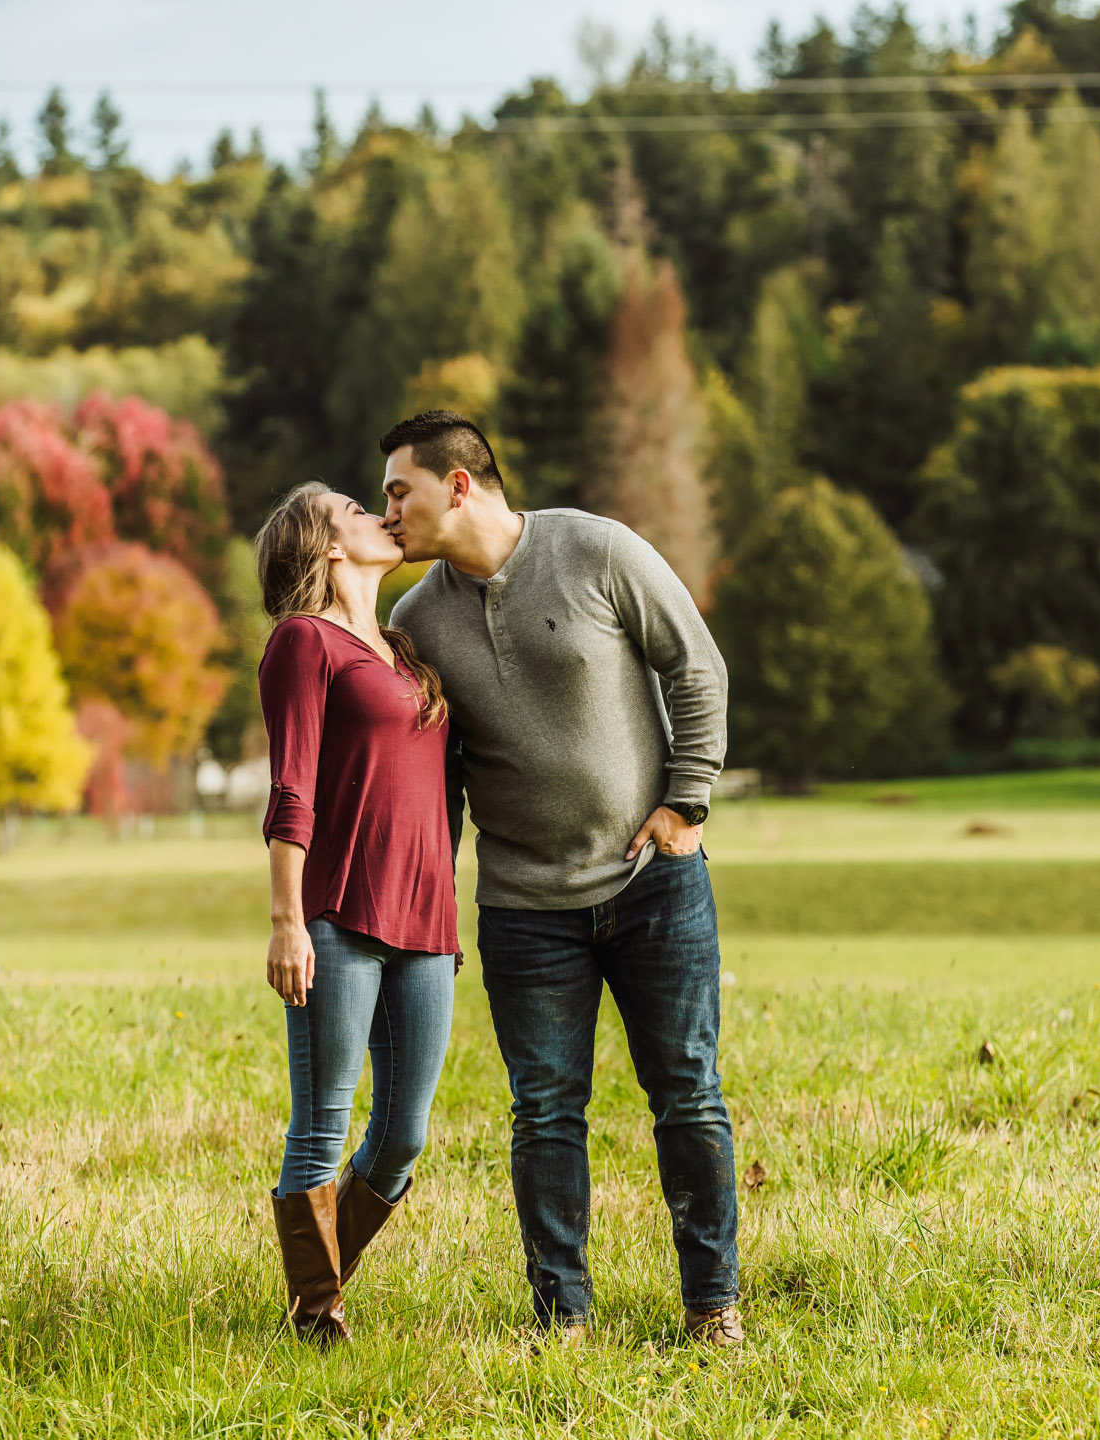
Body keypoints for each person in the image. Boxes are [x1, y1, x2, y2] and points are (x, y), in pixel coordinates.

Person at [382, 410, 744, 1346]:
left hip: (654, 886)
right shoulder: (413, 620)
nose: (388, 512)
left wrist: (687, 805)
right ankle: (563, 1317)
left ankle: (713, 1308)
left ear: (459, 484)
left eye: (399, 491)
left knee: (688, 1093)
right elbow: (438, 781)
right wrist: (428, 909)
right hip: (523, 912)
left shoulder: (596, 549)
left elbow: (697, 668)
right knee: (545, 1113)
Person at [253, 480, 460, 1343]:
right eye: (351, 508)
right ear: (327, 547)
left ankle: (322, 1274)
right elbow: (292, 786)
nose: (376, 513)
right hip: (338, 916)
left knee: (404, 1136)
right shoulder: (305, 643)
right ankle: (317, 1315)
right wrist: (286, 920)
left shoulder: (407, 652)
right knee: (324, 1122)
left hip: (426, 925)